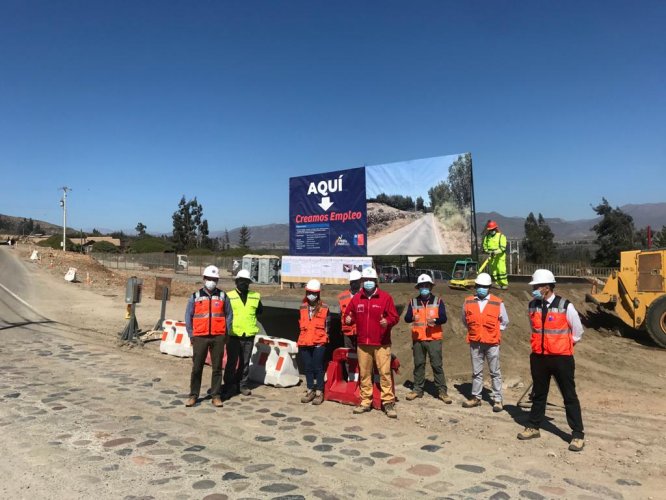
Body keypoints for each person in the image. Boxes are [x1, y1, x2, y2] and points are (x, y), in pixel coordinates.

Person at [517, 269, 586, 452]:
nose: (535, 289)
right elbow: (535, 328)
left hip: (561, 358)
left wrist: (564, 345)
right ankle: (533, 426)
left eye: (538, 286)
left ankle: (577, 435)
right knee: (539, 394)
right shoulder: (532, 305)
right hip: (539, 357)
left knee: (569, 396)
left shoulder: (565, 305)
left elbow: (578, 331)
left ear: (547, 287)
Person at [345, 267, 400, 418]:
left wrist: (387, 321)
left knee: (385, 373)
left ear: (376, 281)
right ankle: (365, 401)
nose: (368, 282)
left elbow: (395, 317)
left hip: (382, 343)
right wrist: (349, 320)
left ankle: (388, 403)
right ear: (362, 282)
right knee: (364, 374)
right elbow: (348, 315)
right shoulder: (356, 299)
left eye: (371, 280)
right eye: (366, 280)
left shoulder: (385, 298)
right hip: (363, 343)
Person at [184, 265, 233, 408]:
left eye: (214, 279)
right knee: (197, 367)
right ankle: (193, 395)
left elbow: (229, 315)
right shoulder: (195, 296)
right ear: (204, 279)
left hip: (218, 336)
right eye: (209, 278)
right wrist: (191, 333)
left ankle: (216, 396)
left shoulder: (223, 296)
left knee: (217, 368)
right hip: (200, 337)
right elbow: (189, 316)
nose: (212, 281)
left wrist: (226, 332)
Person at [461, 272, 509, 412]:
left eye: (484, 286)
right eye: (479, 286)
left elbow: (505, 322)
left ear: (489, 287)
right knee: (476, 372)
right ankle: (476, 397)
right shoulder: (468, 301)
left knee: (495, 372)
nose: (481, 288)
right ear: (476, 286)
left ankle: (497, 399)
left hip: (492, 342)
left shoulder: (497, 302)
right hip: (475, 341)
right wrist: (476, 330)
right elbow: (464, 320)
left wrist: (493, 331)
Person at [403, 274, 452, 404]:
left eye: (426, 286)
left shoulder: (438, 301)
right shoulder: (413, 302)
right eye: (421, 286)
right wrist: (411, 318)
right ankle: (417, 390)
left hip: (434, 338)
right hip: (418, 339)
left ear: (430, 287)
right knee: (419, 364)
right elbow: (407, 318)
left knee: (436, 365)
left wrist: (435, 321)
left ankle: (442, 391)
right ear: (418, 288)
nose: (424, 288)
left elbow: (443, 318)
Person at [224, 269, 262, 398]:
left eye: (246, 281)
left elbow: (259, 311)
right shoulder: (228, 296)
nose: (244, 283)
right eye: (241, 281)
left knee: (245, 363)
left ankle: (242, 385)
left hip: (249, 335)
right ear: (236, 281)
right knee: (231, 362)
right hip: (233, 335)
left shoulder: (255, 296)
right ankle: (229, 385)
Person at [298, 279, 330, 405]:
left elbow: (328, 327)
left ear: (318, 294)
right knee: (308, 366)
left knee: (318, 367)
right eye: (309, 292)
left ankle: (319, 391)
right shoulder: (302, 307)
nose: (312, 295)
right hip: (305, 341)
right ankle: (310, 389)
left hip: (319, 342)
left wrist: (322, 339)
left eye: (314, 293)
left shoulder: (325, 308)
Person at [338, 270, 362, 350]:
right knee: (349, 356)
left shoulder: (365, 295)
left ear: (360, 281)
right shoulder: (342, 296)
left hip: (361, 332)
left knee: (362, 356)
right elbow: (340, 313)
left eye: (356, 281)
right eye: (353, 281)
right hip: (348, 332)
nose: (354, 283)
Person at [482, 220, 508, 289]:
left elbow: (503, 248)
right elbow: (485, 246)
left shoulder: (501, 236)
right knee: (494, 271)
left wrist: (495, 252)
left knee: (501, 270)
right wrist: (488, 251)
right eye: (490, 230)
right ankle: (498, 284)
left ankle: (504, 284)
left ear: (495, 229)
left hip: (500, 257)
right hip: (492, 257)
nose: (491, 231)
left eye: (492, 229)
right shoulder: (487, 237)